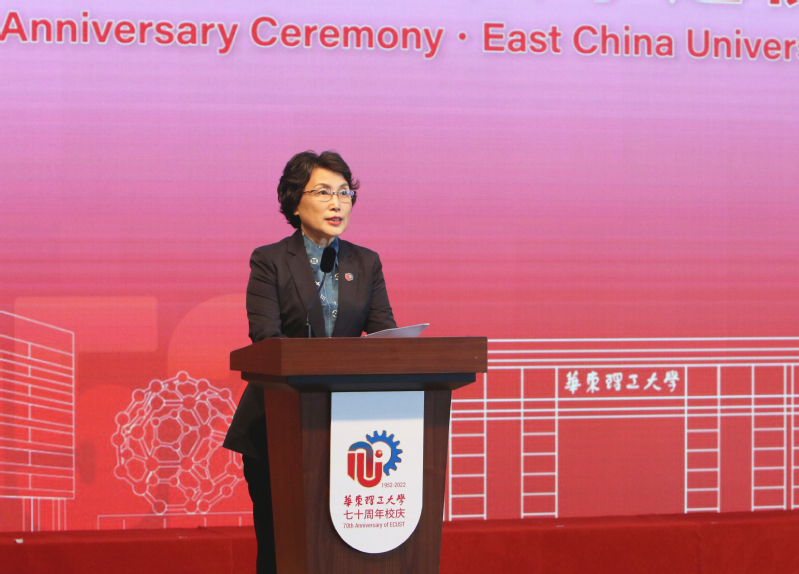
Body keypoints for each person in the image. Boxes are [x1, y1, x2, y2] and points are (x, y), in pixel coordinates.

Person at [222, 150, 397, 574]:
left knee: (342, 553)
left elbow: (386, 338)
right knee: (283, 549)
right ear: (295, 202)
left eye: (345, 193)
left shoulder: (365, 262)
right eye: (323, 192)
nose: (337, 203)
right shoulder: (270, 260)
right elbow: (266, 340)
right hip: (278, 424)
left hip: (350, 432)